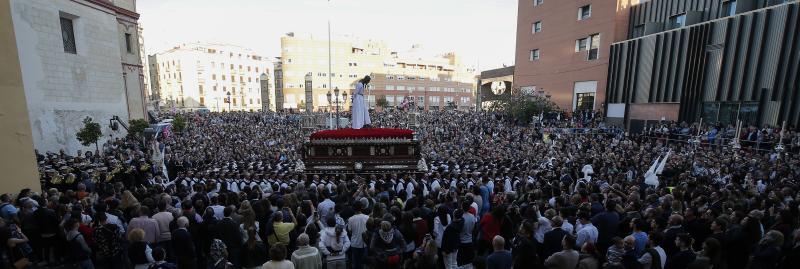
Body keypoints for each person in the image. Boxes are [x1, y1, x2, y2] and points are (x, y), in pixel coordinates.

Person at [346, 201, 369, 269]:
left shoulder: (351, 219)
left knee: (356, 263)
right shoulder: (367, 217)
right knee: (364, 263)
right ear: (362, 207)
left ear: (353, 208)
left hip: (355, 243)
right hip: (364, 243)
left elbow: (350, 231)